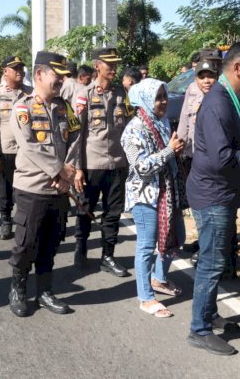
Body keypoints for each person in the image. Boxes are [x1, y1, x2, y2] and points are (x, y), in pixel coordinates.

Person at [186, 42, 240, 356]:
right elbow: (220, 158)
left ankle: (210, 315)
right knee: (212, 263)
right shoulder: (218, 102)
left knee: (215, 260)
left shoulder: (236, 97)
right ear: (238, 68)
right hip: (212, 194)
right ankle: (199, 329)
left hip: (222, 193)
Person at [7, 51, 82, 317]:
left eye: (63, 76)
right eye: (56, 75)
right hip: (32, 188)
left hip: (59, 189)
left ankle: (45, 291)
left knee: (51, 242)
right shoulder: (23, 107)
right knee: (26, 243)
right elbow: (29, 145)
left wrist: (68, 175)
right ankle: (18, 287)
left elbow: (75, 139)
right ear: (39, 75)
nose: (61, 80)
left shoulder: (64, 107)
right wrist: (59, 170)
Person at [121, 78, 188, 318]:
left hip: (167, 192)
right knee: (147, 246)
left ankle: (159, 278)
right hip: (145, 196)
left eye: (164, 96)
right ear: (145, 100)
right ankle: (146, 297)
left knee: (177, 237)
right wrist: (170, 150)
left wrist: (175, 150)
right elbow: (141, 168)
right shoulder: (133, 130)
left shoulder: (161, 123)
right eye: (158, 97)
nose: (163, 102)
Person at [73, 47, 134, 276]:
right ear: (97, 65)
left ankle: (108, 256)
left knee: (113, 212)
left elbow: (129, 129)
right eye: (110, 64)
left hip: (117, 164)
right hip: (91, 164)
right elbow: (77, 135)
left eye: (116, 64)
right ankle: (81, 249)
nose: (114, 68)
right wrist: (77, 168)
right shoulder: (84, 95)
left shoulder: (121, 94)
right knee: (85, 209)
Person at [0, 55, 33, 241]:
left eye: (21, 68)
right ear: (5, 72)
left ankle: (24, 222)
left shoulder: (30, 93)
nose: (19, 72)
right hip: (5, 151)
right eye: (15, 69)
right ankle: (6, 221)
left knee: (25, 190)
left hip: (26, 152)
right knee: (4, 190)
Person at [177, 57, 220, 258]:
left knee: (215, 205)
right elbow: (185, 118)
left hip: (215, 161)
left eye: (210, 76)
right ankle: (203, 243)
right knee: (199, 203)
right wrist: (180, 145)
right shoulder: (191, 92)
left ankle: (212, 249)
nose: (206, 81)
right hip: (194, 157)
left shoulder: (222, 96)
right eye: (201, 77)